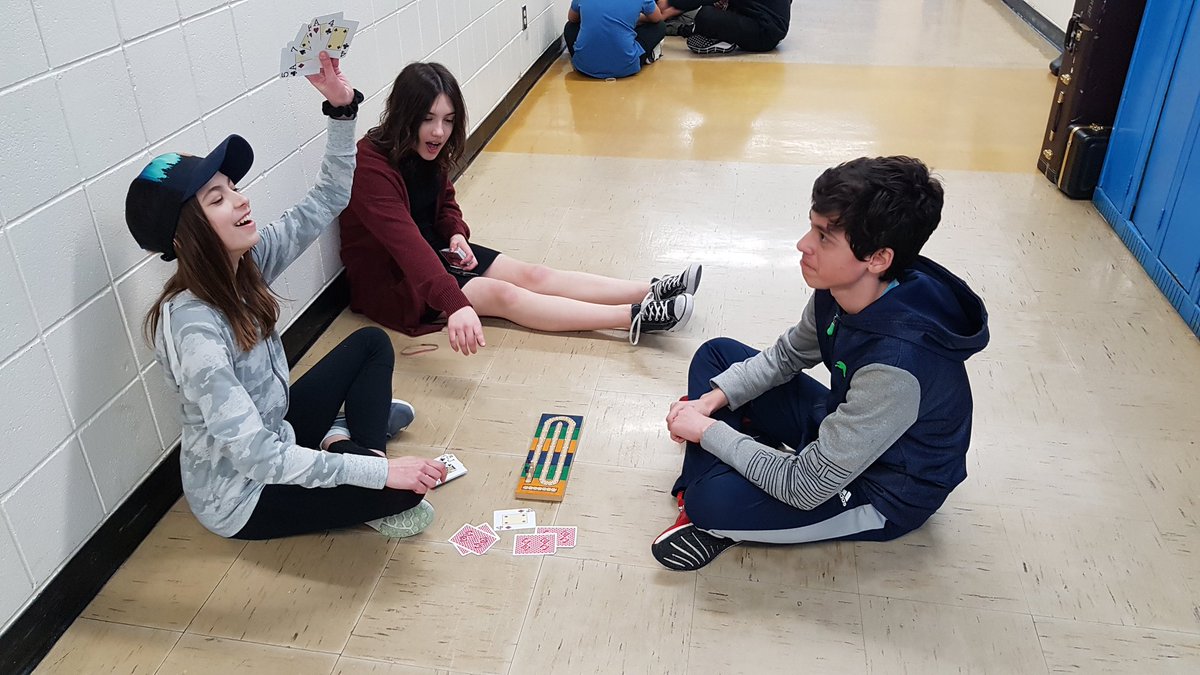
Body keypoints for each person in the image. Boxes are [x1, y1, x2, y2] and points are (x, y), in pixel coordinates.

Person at [124, 53, 446, 541]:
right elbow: (255, 456)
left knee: (372, 344)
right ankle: (349, 442)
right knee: (406, 491)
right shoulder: (194, 330)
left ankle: (346, 441)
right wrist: (381, 476)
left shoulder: (245, 266)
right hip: (244, 496)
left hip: (279, 427)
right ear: (186, 236)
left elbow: (328, 197)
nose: (242, 199)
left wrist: (342, 109)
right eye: (218, 199)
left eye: (232, 187)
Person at [653, 156, 989, 571]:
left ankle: (709, 502)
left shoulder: (898, 368)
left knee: (712, 503)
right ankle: (734, 477)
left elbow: (806, 486)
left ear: (879, 258)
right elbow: (788, 356)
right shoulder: (840, 288)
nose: (803, 245)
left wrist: (706, 431)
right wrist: (708, 406)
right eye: (812, 226)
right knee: (717, 357)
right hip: (843, 429)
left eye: (825, 237)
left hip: (881, 488)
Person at [340, 62, 700, 353]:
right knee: (505, 295)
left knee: (536, 275)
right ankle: (634, 316)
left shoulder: (425, 150)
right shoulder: (370, 166)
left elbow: (444, 200)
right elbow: (406, 245)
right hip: (395, 280)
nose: (439, 132)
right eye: (428, 119)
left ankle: (649, 289)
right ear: (405, 116)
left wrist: (455, 234)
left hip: (437, 250)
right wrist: (456, 303)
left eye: (448, 120)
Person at [565, 0, 667, 79]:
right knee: (660, 26)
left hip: (584, 67)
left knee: (570, 27)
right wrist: (635, 18)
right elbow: (657, 18)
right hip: (627, 66)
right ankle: (646, 55)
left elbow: (572, 18)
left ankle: (585, 56)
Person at [658, 0, 791, 55]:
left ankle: (720, 38)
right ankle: (722, 34)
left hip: (765, 32)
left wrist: (670, 4)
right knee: (710, 9)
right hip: (760, 18)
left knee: (705, 16)